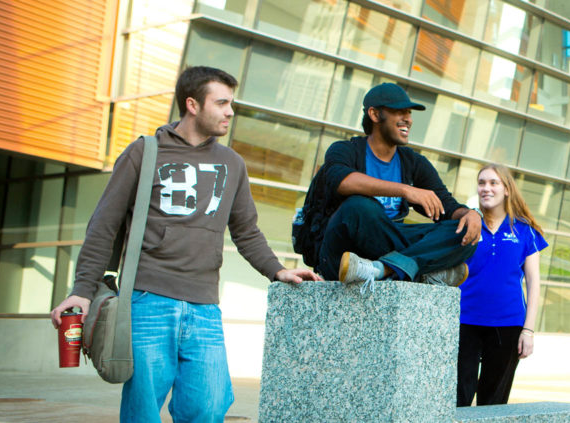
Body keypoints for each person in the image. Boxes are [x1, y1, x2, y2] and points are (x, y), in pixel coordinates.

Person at [49, 66, 321, 422]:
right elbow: (104, 225)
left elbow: (246, 231)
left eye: (231, 103)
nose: (230, 112)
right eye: (221, 103)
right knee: (143, 410)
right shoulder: (144, 153)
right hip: (147, 300)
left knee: (207, 407)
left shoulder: (232, 164)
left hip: (205, 307)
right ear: (192, 104)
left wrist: (277, 270)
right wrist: (82, 290)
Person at [300, 82, 480, 289]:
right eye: (399, 111)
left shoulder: (413, 162)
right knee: (359, 207)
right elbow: (342, 181)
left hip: (382, 253)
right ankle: (423, 268)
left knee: (463, 232)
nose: (408, 119)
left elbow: (445, 204)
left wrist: (470, 214)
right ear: (375, 115)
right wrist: (405, 190)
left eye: (409, 113)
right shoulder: (345, 150)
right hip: (343, 255)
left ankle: (385, 269)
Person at [456, 164, 546, 407]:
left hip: (508, 324)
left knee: (494, 402)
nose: (486, 188)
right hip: (464, 321)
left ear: (507, 190)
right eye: (482, 182)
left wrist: (528, 330)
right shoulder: (467, 224)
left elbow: (534, 284)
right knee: (457, 398)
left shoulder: (526, 231)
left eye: (493, 183)